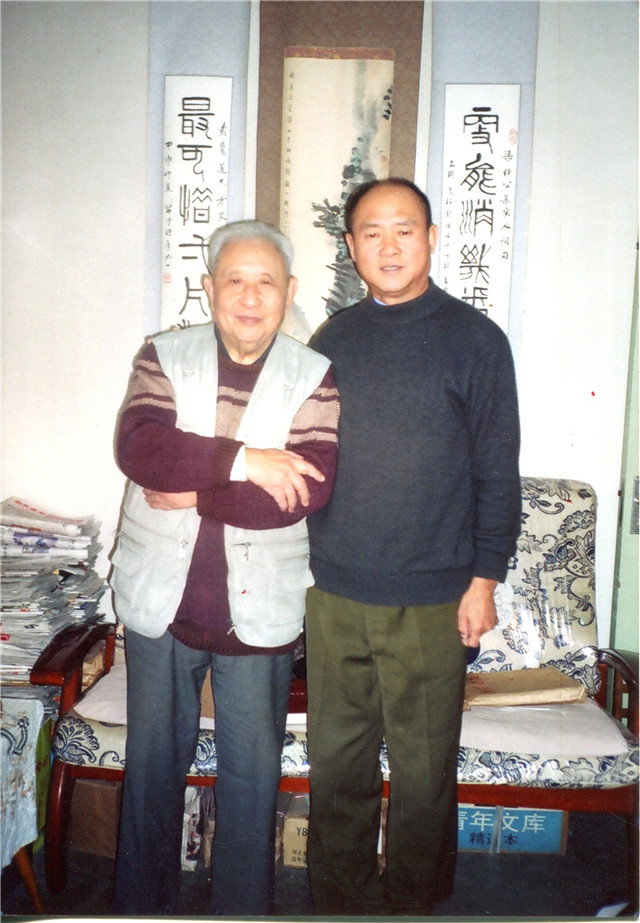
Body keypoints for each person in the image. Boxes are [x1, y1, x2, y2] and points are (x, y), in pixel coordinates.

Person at [109, 219, 340, 916]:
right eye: (234, 279)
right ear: (209, 288)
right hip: (161, 603)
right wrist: (248, 461)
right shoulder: (163, 354)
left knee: (252, 781)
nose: (249, 296)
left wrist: (198, 490)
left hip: (259, 612)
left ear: (289, 291)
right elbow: (142, 449)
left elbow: (302, 492)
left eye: (265, 281)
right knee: (152, 771)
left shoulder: (315, 375)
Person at [305, 178, 521, 916]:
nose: (389, 246)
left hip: (434, 596)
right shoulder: (332, 339)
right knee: (337, 765)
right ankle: (340, 900)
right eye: (372, 232)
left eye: (405, 230)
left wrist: (484, 580)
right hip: (335, 591)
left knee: (425, 771)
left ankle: (413, 902)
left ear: (430, 238)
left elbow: (497, 470)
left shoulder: (477, 340)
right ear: (351, 246)